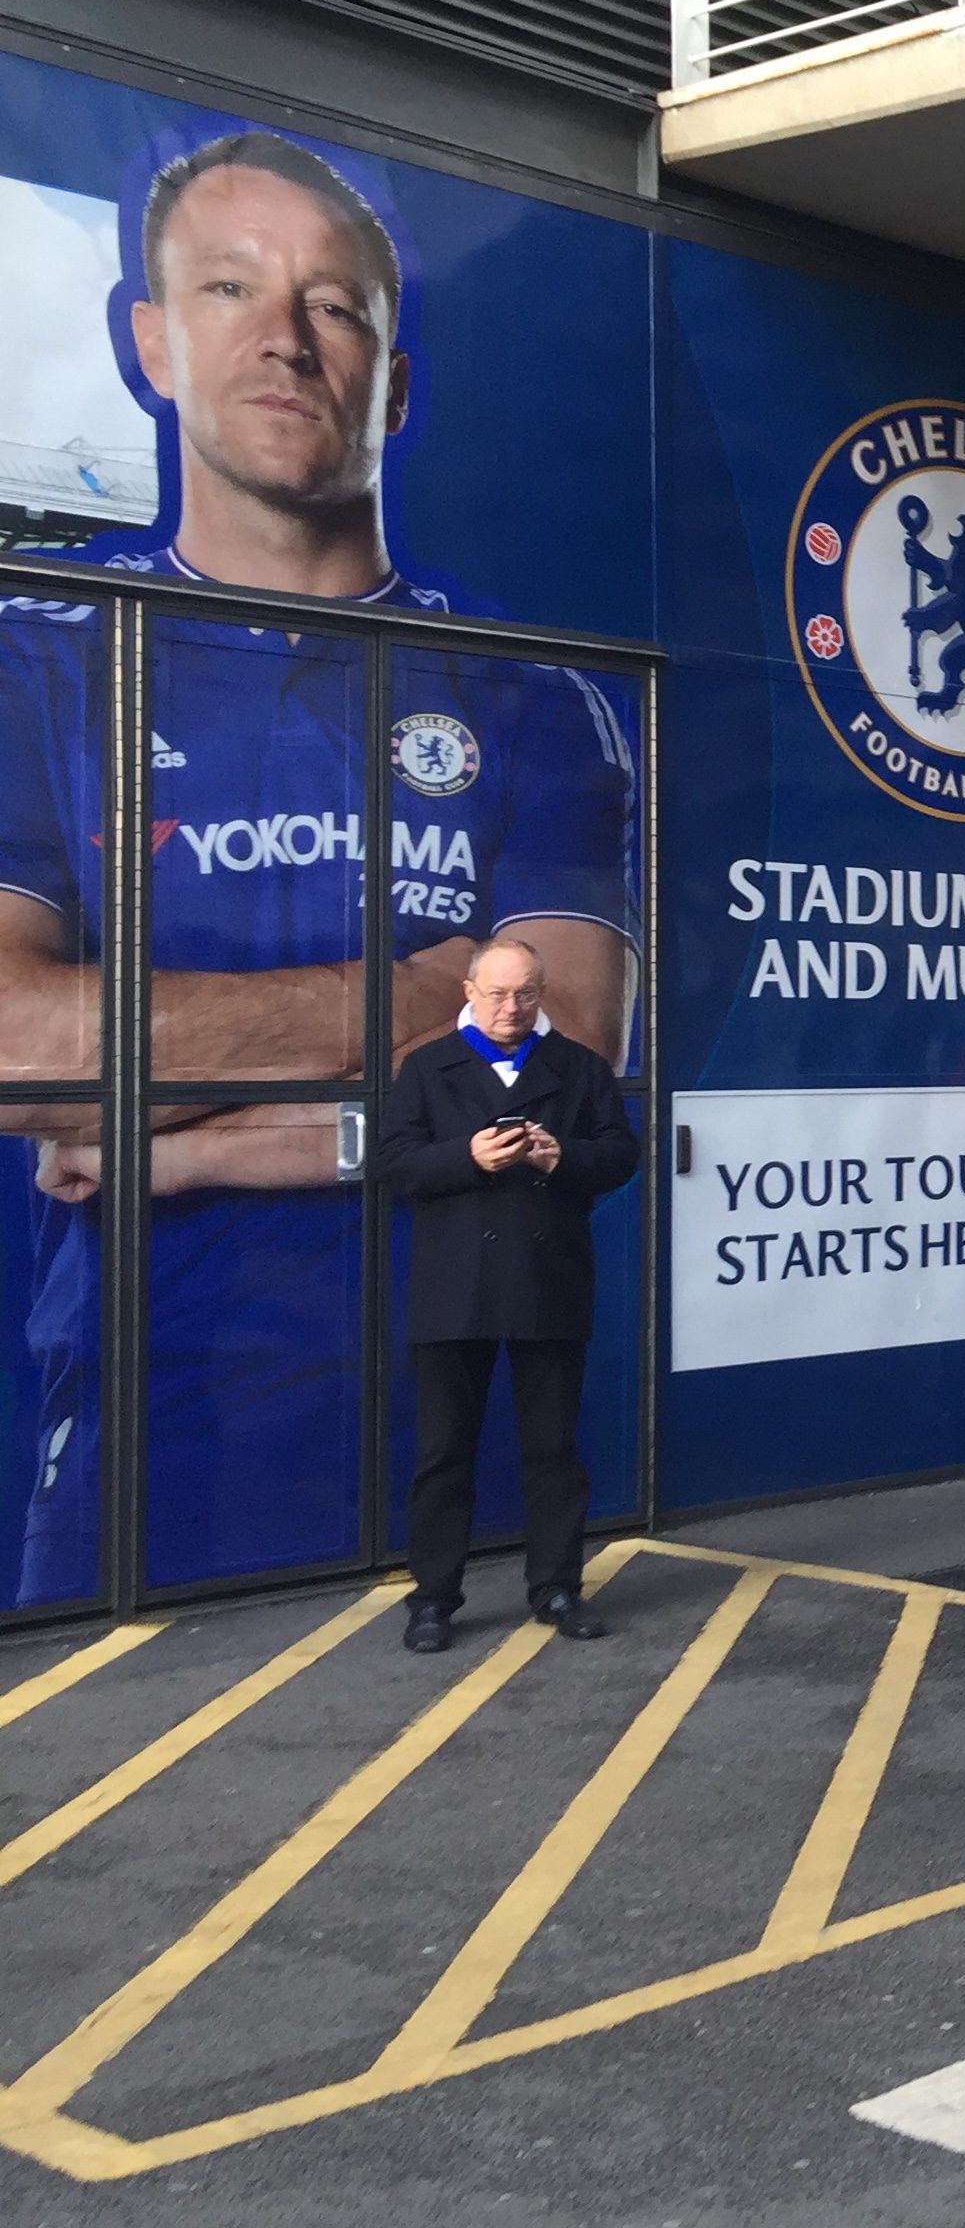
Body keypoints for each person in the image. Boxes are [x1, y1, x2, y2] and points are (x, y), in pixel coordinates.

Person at [0, 129, 636, 1601]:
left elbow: (572, 1056)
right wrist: (417, 993)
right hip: (145, 1421)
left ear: (394, 381)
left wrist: (193, 1137)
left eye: (336, 305)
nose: (285, 340)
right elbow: (17, 1054)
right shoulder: (42, 657)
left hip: (467, 1384)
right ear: (152, 342)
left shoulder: (533, 696)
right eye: (231, 288)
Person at [376, 937, 637, 1651]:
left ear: (541, 993)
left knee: (552, 1450)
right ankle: (432, 1600)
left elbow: (621, 1155)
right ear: (467, 991)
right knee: (443, 1452)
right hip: (452, 1287)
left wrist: (565, 1157)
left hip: (546, 1280)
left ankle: (556, 1588)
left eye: (525, 993)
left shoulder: (579, 1068)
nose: (510, 1007)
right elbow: (393, 1165)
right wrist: (467, 1156)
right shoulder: (426, 1068)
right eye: (495, 993)